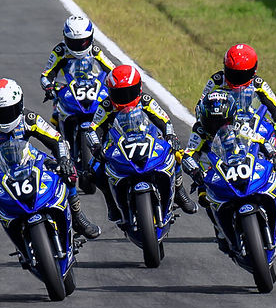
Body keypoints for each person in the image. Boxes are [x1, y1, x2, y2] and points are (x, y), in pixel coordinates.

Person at [0, 78, 100, 299]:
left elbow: (56, 140)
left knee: (67, 171)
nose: (4, 117)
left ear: (19, 105)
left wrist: (65, 159)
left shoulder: (29, 118)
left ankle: (77, 215)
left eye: (9, 110)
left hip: (33, 162)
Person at [85, 65, 198, 219]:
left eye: (128, 92)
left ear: (138, 88)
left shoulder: (146, 100)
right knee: (95, 169)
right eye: (119, 94)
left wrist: (171, 136)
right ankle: (111, 203)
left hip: (147, 140)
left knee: (175, 152)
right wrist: (96, 146)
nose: (124, 98)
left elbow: (164, 120)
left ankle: (179, 191)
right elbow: (92, 129)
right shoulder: (106, 106)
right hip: (116, 145)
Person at [180, 91, 276, 232]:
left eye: (223, 122)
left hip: (239, 163)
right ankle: (220, 230)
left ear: (232, 118)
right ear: (203, 119)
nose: (217, 128)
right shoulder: (199, 130)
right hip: (211, 171)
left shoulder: (239, 124)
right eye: (212, 123)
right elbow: (188, 154)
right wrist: (195, 171)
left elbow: (259, 139)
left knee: (270, 173)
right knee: (205, 198)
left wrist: (273, 153)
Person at [199, 44, 276, 148]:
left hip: (249, 122)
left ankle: (271, 160)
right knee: (202, 138)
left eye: (242, 75)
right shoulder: (217, 80)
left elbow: (275, 106)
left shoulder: (258, 83)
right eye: (232, 73)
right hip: (222, 123)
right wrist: (205, 124)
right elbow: (201, 104)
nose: (237, 79)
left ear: (253, 70)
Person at [40, 15, 115, 125]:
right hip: (69, 89)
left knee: (112, 112)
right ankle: (61, 136)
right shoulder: (60, 51)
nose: (78, 46)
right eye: (73, 42)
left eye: (82, 42)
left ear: (91, 37)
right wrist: (49, 87)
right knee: (57, 113)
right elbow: (47, 74)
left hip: (93, 88)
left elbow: (113, 70)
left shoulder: (94, 51)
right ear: (65, 37)